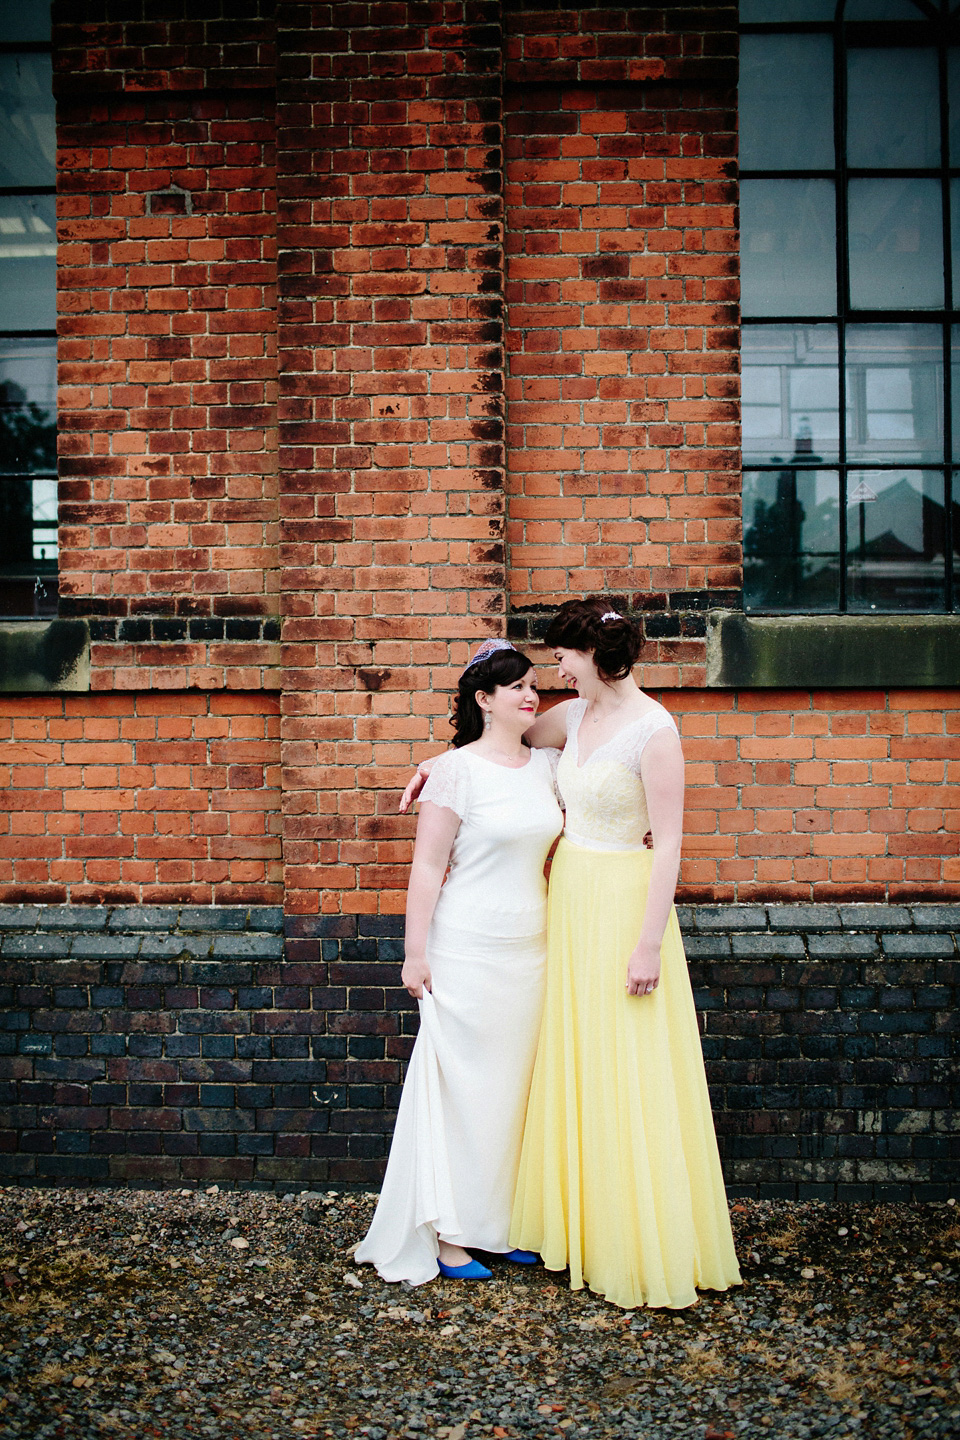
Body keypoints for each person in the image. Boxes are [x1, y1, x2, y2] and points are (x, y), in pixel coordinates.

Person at [402, 599, 741, 1310]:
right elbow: (501, 741)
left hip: (622, 905)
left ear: (597, 659)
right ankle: (565, 1222)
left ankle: (635, 1234)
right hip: (566, 907)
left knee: (627, 1062)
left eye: (564, 659)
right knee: (569, 1059)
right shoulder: (575, 716)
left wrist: (648, 942)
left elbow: (671, 843)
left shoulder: (656, 731)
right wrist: (437, 763)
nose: (553, 673)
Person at [355, 639, 564, 1286]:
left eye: (535, 684)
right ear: (483, 699)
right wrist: (414, 954)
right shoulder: (452, 772)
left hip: (531, 949)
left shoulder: (547, 764)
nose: (532, 695)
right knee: (460, 1093)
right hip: (463, 948)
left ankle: (499, 1227)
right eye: (516, 687)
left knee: (512, 1094)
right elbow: (426, 866)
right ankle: (448, 1237)